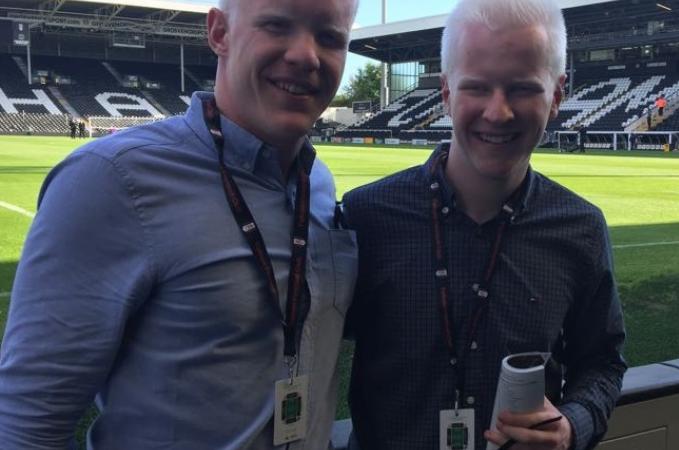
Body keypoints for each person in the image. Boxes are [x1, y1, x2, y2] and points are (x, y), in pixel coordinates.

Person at [0, 0, 359, 448]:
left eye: (330, 38)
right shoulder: (112, 178)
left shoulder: (317, 185)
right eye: (277, 25)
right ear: (219, 33)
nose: (306, 55)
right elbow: (28, 426)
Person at [342, 0, 626, 449]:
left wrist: (573, 425)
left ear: (557, 95)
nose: (499, 112)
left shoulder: (581, 230)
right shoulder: (365, 217)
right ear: (447, 92)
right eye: (477, 87)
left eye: (522, 89)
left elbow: (602, 363)